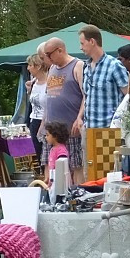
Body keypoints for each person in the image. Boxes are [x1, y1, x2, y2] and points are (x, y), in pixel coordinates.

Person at [43, 36, 87, 184]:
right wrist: (44, 121)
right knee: (52, 163)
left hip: (70, 128)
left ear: (60, 50)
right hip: (53, 129)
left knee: (75, 165)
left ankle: (77, 193)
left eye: (49, 54)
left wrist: (79, 117)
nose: (48, 58)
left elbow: (86, 95)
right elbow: (48, 96)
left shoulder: (77, 65)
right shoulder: (52, 68)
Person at [79, 24, 130, 130]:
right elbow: (87, 97)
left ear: (92, 42)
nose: (81, 47)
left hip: (109, 129)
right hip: (88, 128)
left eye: (82, 43)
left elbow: (129, 96)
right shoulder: (86, 67)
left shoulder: (114, 65)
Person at [25, 45, 50, 146]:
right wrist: (29, 91)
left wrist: (42, 126)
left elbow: (48, 105)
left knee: (44, 152)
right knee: (37, 152)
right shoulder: (34, 83)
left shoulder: (49, 82)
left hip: (45, 121)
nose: (28, 68)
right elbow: (34, 102)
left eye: (30, 65)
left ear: (38, 66)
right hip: (33, 121)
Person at [42, 120, 71, 187]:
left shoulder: (61, 150)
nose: (46, 137)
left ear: (55, 136)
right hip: (54, 180)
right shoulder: (53, 149)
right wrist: (49, 178)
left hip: (60, 182)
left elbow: (61, 167)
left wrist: (54, 180)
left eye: (47, 135)